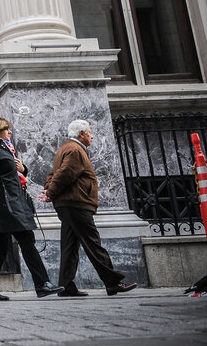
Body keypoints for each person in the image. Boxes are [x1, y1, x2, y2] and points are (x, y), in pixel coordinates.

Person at [40, 119, 138, 297]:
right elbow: (64, 174)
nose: (92, 136)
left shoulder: (65, 148)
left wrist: (49, 190)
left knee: (70, 246)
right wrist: (50, 193)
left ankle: (66, 286)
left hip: (68, 204)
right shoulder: (76, 150)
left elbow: (52, 173)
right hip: (76, 203)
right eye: (90, 132)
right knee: (93, 243)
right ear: (81, 134)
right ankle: (112, 282)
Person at [0, 118, 64, 301]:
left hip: (12, 204)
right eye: (6, 129)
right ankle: (42, 284)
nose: (10, 132)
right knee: (26, 240)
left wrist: (22, 168)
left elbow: (10, 174)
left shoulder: (4, 149)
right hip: (6, 207)